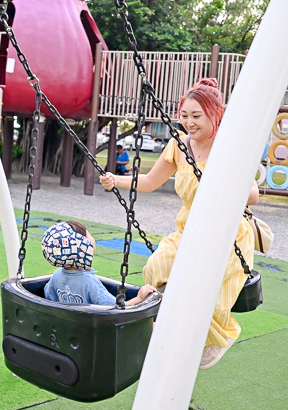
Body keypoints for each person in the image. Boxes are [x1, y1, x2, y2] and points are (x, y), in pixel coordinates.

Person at [100, 78, 259, 370]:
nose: (189, 123)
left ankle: (216, 339)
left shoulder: (230, 145)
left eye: (197, 116)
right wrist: (116, 181)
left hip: (226, 233)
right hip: (189, 229)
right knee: (156, 268)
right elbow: (149, 181)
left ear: (216, 114)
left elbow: (254, 195)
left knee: (203, 285)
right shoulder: (178, 144)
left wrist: (223, 180)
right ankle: (166, 329)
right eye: (185, 116)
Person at [41, 220, 157, 307]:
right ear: (83, 246)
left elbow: (49, 296)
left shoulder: (57, 275)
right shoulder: (89, 282)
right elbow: (115, 310)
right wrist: (139, 298)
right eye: (89, 235)